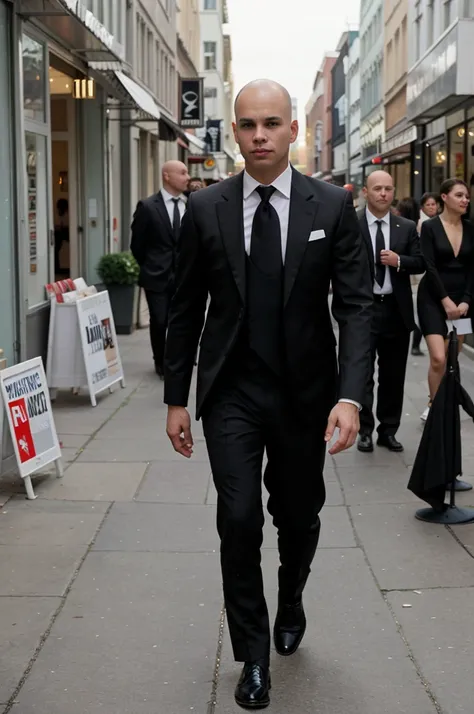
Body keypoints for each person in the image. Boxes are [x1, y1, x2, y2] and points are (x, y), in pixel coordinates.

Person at [164, 79, 373, 709]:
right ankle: (252, 655)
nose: (260, 135)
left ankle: (291, 598)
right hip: (232, 389)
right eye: (249, 124)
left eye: (272, 124)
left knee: (298, 513)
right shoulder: (207, 209)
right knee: (237, 518)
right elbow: (184, 310)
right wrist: (177, 397)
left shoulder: (332, 205)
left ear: (293, 131)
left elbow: (357, 307)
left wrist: (350, 397)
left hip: (305, 394)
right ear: (234, 131)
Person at [357, 172, 425, 454]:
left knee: (393, 375)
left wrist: (399, 261)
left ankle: (388, 430)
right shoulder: (351, 223)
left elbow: (420, 263)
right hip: (363, 310)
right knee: (362, 375)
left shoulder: (406, 226)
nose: (383, 194)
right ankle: (364, 430)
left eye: (387, 189)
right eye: (377, 189)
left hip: (395, 310)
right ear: (365, 192)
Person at [417, 178, 474, 423]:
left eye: (467, 197)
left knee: (452, 357)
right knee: (438, 358)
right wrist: (445, 300)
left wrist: (466, 301)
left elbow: (473, 268)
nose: (465, 200)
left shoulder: (471, 228)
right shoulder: (430, 227)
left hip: (463, 302)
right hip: (432, 297)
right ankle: (434, 405)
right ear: (444, 197)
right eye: (460, 195)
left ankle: (446, 400)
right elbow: (428, 266)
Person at [130, 160, 190, 378]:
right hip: (156, 276)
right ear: (167, 176)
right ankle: (160, 362)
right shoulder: (147, 207)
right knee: (160, 320)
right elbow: (137, 244)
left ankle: (179, 359)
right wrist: (150, 265)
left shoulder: (189, 205)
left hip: (184, 276)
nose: (187, 177)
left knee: (181, 321)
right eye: (182, 173)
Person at [394, 198, 425, 357]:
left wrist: (398, 260)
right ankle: (415, 343)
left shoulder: (413, 227)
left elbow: (419, 261)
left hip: (412, 278)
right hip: (414, 279)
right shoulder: (416, 225)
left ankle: (415, 343)